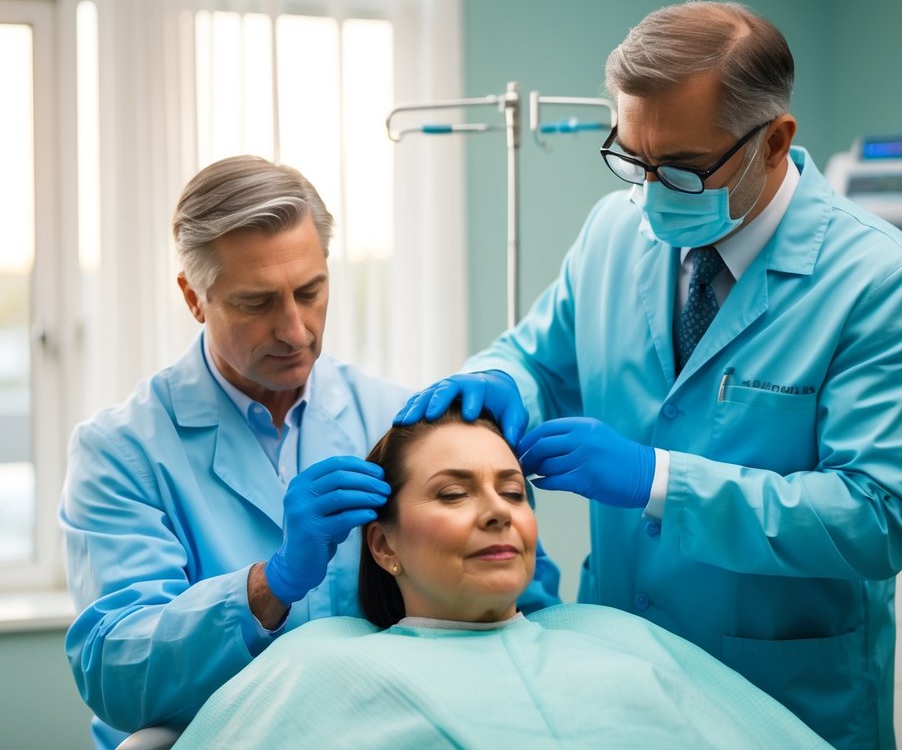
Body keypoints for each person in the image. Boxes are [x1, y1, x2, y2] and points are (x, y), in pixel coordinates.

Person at [395, 0, 902, 749]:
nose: (653, 192)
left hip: (784, 697)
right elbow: (534, 357)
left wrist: (656, 479)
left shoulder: (882, 284)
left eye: (685, 170)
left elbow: (873, 518)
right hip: (618, 687)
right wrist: (499, 376)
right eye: (633, 158)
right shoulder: (613, 231)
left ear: (774, 141)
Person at [60, 155, 563, 749]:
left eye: (310, 291)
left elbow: (524, 608)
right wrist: (267, 586)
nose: (295, 330)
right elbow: (117, 676)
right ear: (194, 298)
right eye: (256, 302)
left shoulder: (398, 423)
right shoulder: (121, 453)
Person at [174, 410, 827, 749]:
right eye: (453, 493)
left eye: (512, 491)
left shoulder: (610, 635)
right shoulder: (317, 665)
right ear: (383, 545)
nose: (496, 511)